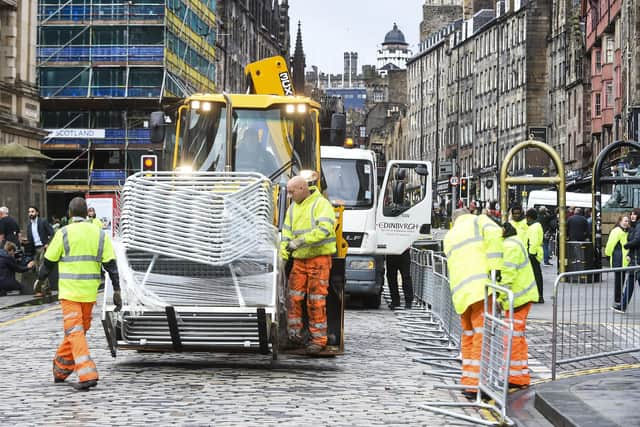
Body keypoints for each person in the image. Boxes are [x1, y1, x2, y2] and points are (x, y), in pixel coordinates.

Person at [38, 197, 121, 390]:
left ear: (69, 213)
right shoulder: (100, 234)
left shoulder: (63, 233)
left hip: (69, 293)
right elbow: (111, 265)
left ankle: (87, 374)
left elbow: (49, 261)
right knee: (77, 332)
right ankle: (60, 369)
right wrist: (117, 289)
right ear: (86, 213)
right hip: (90, 293)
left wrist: (40, 279)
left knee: (75, 333)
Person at [443, 207, 502, 400]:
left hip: (461, 295)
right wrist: (496, 268)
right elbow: (495, 232)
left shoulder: (449, 236)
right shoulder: (479, 221)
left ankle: (469, 382)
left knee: (468, 337)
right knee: (481, 338)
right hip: (480, 289)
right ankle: (479, 385)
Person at [280, 176, 336, 355]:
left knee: (316, 301)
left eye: (292, 191)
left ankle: (319, 340)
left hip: (318, 260)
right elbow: (286, 236)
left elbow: (325, 230)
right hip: (299, 260)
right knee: (292, 299)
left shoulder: (321, 204)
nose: (289, 195)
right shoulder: (292, 209)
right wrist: (282, 257)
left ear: (303, 188)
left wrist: (301, 241)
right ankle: (294, 337)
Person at [499, 222, 539, 388]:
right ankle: (520, 375)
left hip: (517, 298)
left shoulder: (509, 246)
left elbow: (507, 276)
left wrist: (500, 299)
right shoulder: (513, 242)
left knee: (513, 338)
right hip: (521, 297)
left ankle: (515, 377)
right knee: (517, 337)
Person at [24, 206, 55, 296]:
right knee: (38, 269)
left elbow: (52, 233)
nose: (30, 213)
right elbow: (30, 239)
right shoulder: (29, 225)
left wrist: (48, 244)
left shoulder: (43, 221)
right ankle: (47, 289)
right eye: (29, 212)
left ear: (37, 213)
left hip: (43, 247)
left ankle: (42, 290)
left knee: (42, 268)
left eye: (32, 211)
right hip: (35, 249)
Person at [606, 215, 629, 312]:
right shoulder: (617, 231)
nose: (626, 223)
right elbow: (610, 244)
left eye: (627, 221)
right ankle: (617, 299)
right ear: (619, 221)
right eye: (625, 221)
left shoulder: (626, 231)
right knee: (619, 280)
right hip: (618, 259)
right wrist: (608, 254)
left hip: (624, 260)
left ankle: (619, 299)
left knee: (621, 279)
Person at [621, 208, 640, 312]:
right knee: (630, 284)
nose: (632, 216)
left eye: (635, 214)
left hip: (638, 261)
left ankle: (622, 306)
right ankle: (622, 306)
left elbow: (637, 240)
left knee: (630, 283)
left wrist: (626, 246)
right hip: (635, 259)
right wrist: (629, 253)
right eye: (631, 214)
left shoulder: (638, 226)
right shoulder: (634, 226)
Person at [526, 209, 545, 303]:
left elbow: (533, 241)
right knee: (537, 275)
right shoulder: (537, 226)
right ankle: (539, 295)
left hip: (533, 254)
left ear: (529, 217)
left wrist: (531, 254)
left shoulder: (533, 227)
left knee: (535, 276)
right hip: (537, 253)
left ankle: (538, 296)